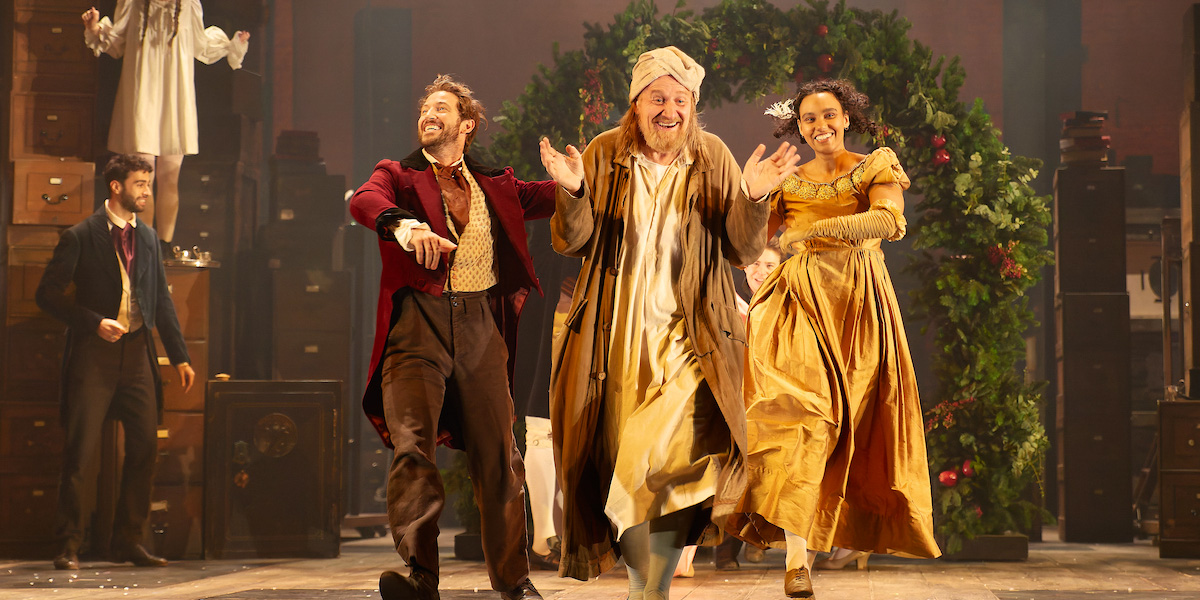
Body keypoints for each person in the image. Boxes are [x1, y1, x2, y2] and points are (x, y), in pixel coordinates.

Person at [538, 46, 801, 600]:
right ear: (635, 105)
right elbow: (573, 241)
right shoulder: (605, 152)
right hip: (616, 335)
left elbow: (741, 248)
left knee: (667, 459)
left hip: (692, 334)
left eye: (680, 99)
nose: (670, 110)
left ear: (694, 106)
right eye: (657, 98)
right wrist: (572, 190)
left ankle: (650, 587)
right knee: (623, 466)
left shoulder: (713, 156)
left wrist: (754, 197)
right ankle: (645, 585)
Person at [349, 75, 576, 600]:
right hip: (416, 325)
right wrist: (402, 226)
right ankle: (421, 576)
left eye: (441, 108)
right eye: (425, 106)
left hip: (479, 325)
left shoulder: (495, 182)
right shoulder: (398, 175)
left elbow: (547, 198)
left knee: (499, 455)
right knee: (412, 448)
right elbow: (366, 200)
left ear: (466, 125)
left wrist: (571, 182)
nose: (428, 113)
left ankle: (514, 583)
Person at [728, 79, 941, 598]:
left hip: (857, 304)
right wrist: (752, 196)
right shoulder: (790, 179)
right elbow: (745, 247)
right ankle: (797, 562)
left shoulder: (874, 164)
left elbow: (890, 222)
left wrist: (809, 235)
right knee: (802, 417)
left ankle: (833, 538)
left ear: (847, 117)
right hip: (797, 304)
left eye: (828, 115)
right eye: (808, 119)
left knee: (848, 430)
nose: (819, 126)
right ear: (796, 127)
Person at [36, 154, 195, 571]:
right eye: (140, 184)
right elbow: (47, 295)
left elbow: (160, 300)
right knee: (80, 451)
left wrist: (179, 356)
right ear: (116, 187)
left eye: (148, 184)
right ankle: (68, 544)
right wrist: (92, 322)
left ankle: (128, 540)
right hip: (94, 355)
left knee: (144, 447)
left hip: (137, 355)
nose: (146, 191)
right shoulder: (80, 236)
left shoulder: (146, 237)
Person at [82, 1, 250, 250]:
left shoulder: (188, 4)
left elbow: (200, 44)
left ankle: (163, 248)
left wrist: (231, 45)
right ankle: (143, 246)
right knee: (142, 178)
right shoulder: (134, 3)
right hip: (143, 93)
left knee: (170, 176)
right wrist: (95, 28)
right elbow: (116, 40)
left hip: (175, 95)